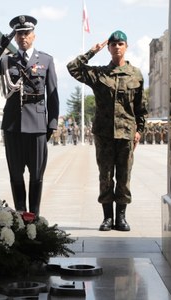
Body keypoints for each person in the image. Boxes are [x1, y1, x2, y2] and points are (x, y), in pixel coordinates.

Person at [66, 30, 148, 231]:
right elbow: (73, 68)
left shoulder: (135, 74)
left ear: (126, 47)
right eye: (113, 44)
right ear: (108, 48)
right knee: (105, 175)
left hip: (127, 133)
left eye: (120, 44)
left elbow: (141, 107)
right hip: (104, 134)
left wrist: (140, 130)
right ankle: (107, 218)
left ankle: (121, 217)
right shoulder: (99, 74)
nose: (117, 47)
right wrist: (92, 51)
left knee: (124, 175)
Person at [0, 15, 59, 215]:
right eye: (19, 34)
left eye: (27, 33)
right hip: (13, 125)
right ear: (15, 37)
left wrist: (52, 124)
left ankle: (35, 214)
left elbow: (52, 94)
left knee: (37, 175)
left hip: (38, 125)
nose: (23, 37)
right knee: (15, 174)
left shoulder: (46, 60)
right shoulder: (7, 60)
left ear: (34, 35)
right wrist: (0, 46)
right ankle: (21, 214)